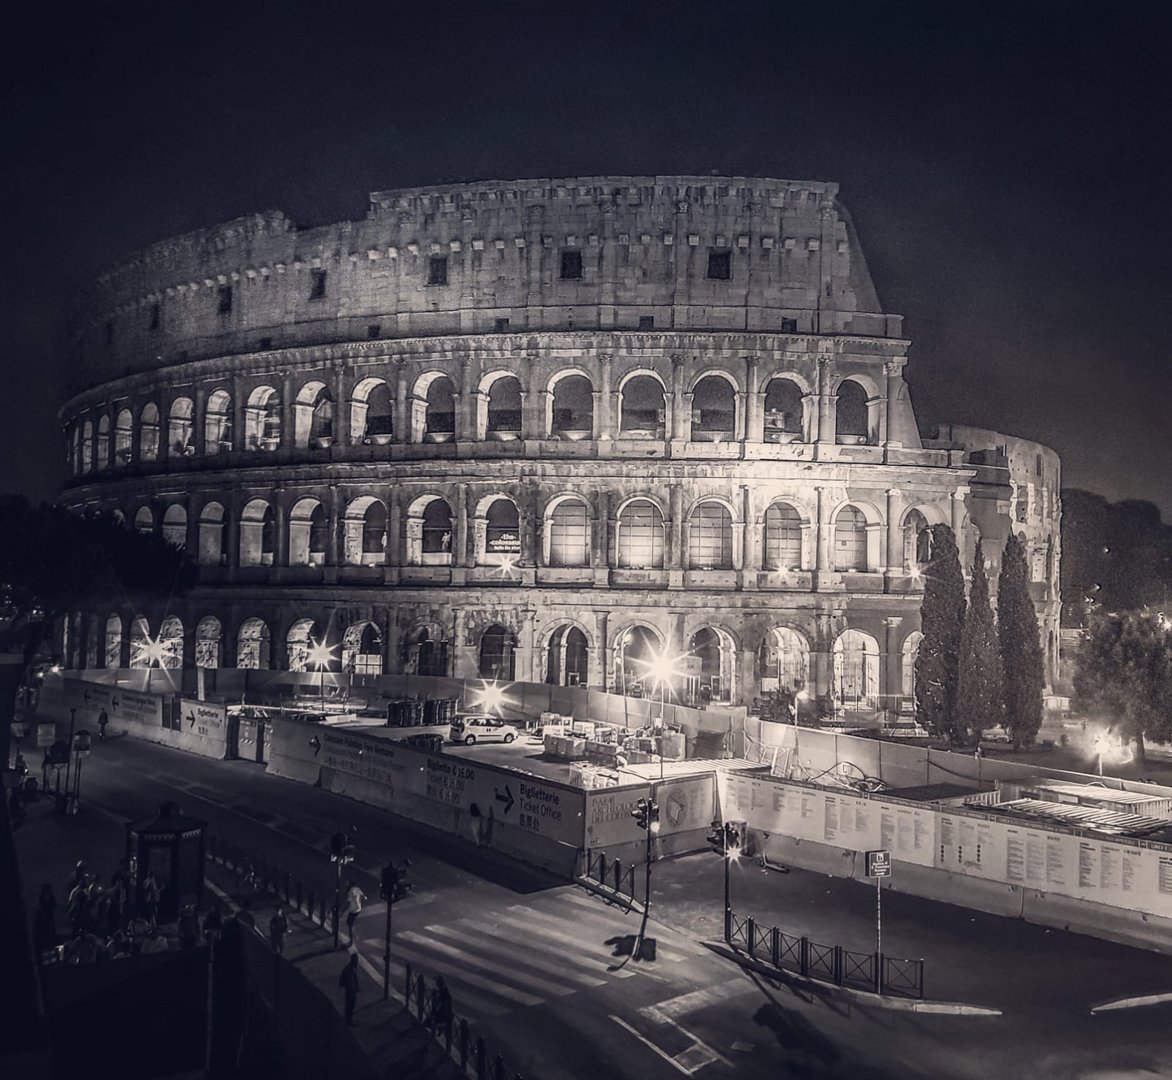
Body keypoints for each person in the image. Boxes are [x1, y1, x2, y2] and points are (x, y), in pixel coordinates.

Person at [338, 953, 360, 1026]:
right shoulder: (350, 969)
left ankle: (348, 1019)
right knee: (350, 1006)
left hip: (350, 991)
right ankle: (348, 1020)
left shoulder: (349, 968)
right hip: (350, 991)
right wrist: (355, 989)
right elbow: (351, 981)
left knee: (349, 1006)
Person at [344, 879, 366, 947]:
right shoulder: (357, 889)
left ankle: (351, 941)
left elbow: (348, 903)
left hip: (353, 910)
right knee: (349, 923)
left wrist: (343, 911)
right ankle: (354, 935)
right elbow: (364, 896)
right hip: (358, 909)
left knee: (349, 924)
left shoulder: (350, 892)